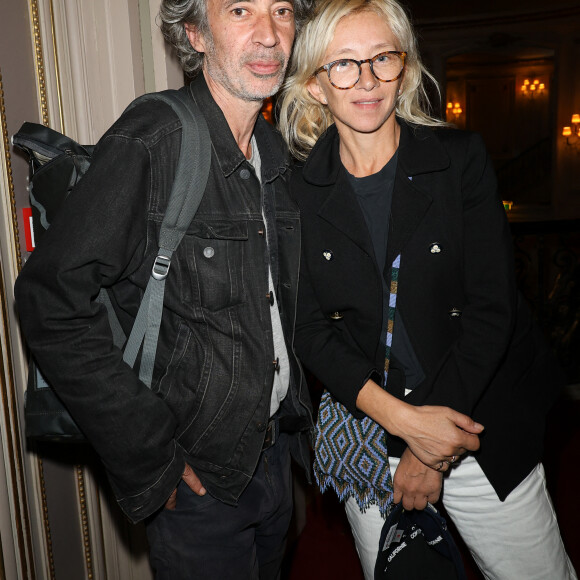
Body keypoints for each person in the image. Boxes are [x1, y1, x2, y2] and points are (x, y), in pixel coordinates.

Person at [15, 0, 316, 577]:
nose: (269, 34)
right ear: (195, 33)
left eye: (281, 10)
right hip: (199, 478)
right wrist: (150, 452)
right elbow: (49, 299)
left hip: (276, 458)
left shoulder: (274, 155)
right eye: (239, 10)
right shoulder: (156, 135)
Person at [278, 0, 577, 578]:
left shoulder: (458, 161)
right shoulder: (296, 192)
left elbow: (493, 310)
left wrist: (427, 448)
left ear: (404, 69)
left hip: (475, 427)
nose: (366, 80)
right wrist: (403, 425)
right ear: (315, 85)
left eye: (381, 59)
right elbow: (310, 329)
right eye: (343, 64)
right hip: (372, 434)